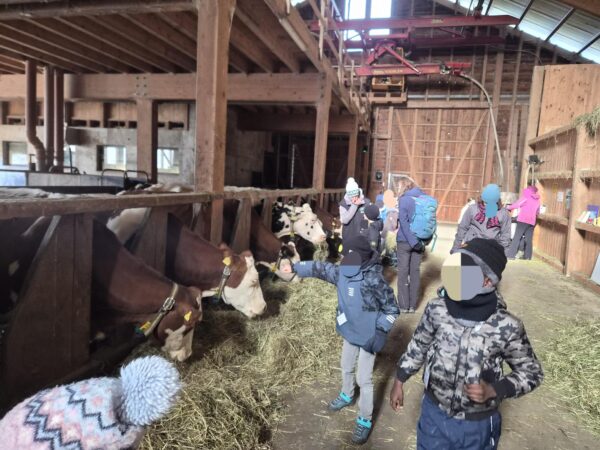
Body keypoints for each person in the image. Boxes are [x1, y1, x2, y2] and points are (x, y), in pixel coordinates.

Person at [389, 238, 543, 450]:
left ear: (487, 281)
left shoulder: (507, 326)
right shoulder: (437, 309)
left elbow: (532, 372)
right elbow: (419, 345)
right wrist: (399, 379)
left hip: (478, 424)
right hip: (434, 414)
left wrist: (496, 389)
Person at [287, 235, 399, 445]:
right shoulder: (342, 272)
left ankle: (364, 419)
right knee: (346, 366)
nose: (342, 260)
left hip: (368, 337)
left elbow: (392, 309)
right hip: (350, 330)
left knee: (364, 379)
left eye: (347, 256)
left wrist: (380, 332)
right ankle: (347, 395)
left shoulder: (373, 280)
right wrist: (296, 267)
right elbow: (321, 269)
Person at [452, 184, 511, 254]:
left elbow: (505, 234)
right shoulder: (472, 209)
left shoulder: (503, 213)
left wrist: (504, 253)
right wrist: (456, 247)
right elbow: (462, 228)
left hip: (491, 248)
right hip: (471, 246)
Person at [396, 176, 426, 313]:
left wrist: (412, 242)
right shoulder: (424, 198)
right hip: (420, 241)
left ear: (403, 186)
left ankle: (404, 306)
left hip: (405, 241)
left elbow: (404, 223)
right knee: (415, 272)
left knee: (403, 273)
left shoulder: (404, 200)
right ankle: (413, 305)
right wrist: (421, 242)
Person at [506, 185, 541, 260]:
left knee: (517, 237)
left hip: (523, 220)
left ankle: (510, 255)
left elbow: (516, 205)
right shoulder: (537, 200)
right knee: (528, 239)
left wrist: (507, 207)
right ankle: (528, 257)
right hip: (532, 222)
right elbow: (537, 212)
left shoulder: (526, 197)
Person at [339, 177, 370, 246]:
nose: (353, 197)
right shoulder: (343, 204)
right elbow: (345, 220)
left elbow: (366, 219)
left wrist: (364, 233)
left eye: (355, 194)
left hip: (361, 237)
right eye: (350, 194)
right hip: (348, 236)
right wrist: (354, 205)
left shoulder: (366, 202)